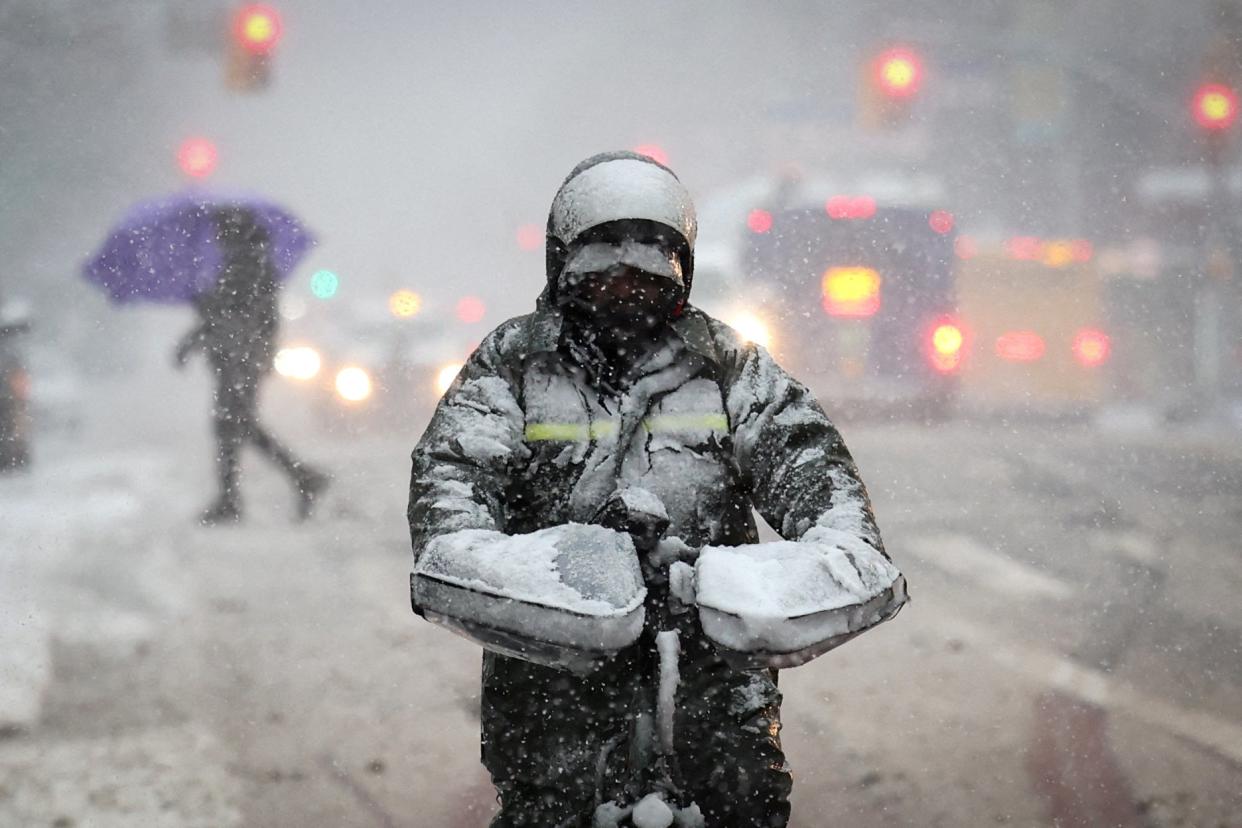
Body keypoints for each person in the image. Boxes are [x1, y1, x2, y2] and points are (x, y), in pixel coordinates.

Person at [407, 152, 892, 826]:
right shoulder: (513, 362)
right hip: (555, 646)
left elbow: (804, 457)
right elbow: (454, 476)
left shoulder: (728, 364)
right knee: (544, 801)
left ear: (681, 267)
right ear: (560, 261)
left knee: (747, 794)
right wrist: (485, 558)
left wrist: (841, 540)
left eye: (648, 261)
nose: (624, 281)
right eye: (600, 260)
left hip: (713, 647)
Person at [174, 206, 328, 524]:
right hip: (240, 358)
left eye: (219, 231)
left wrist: (202, 309)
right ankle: (291, 481)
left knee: (233, 424)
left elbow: (230, 316)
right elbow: (231, 315)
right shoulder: (250, 263)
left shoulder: (248, 265)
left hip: (240, 359)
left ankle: (283, 483)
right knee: (235, 425)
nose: (215, 238)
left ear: (232, 231)